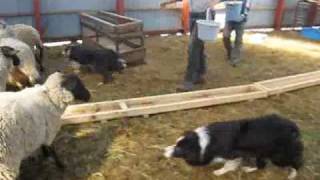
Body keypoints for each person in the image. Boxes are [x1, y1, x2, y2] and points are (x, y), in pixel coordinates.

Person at [162, 0, 221, 92]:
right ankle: (200, 74)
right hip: (193, 14)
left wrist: (213, 3)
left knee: (193, 47)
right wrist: (168, 2)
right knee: (198, 46)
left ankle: (189, 81)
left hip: (204, 14)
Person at [223, 0, 251, 66]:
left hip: (241, 20)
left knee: (238, 40)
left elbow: (247, 6)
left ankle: (235, 59)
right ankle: (230, 52)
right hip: (229, 19)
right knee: (225, 36)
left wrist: (243, 15)